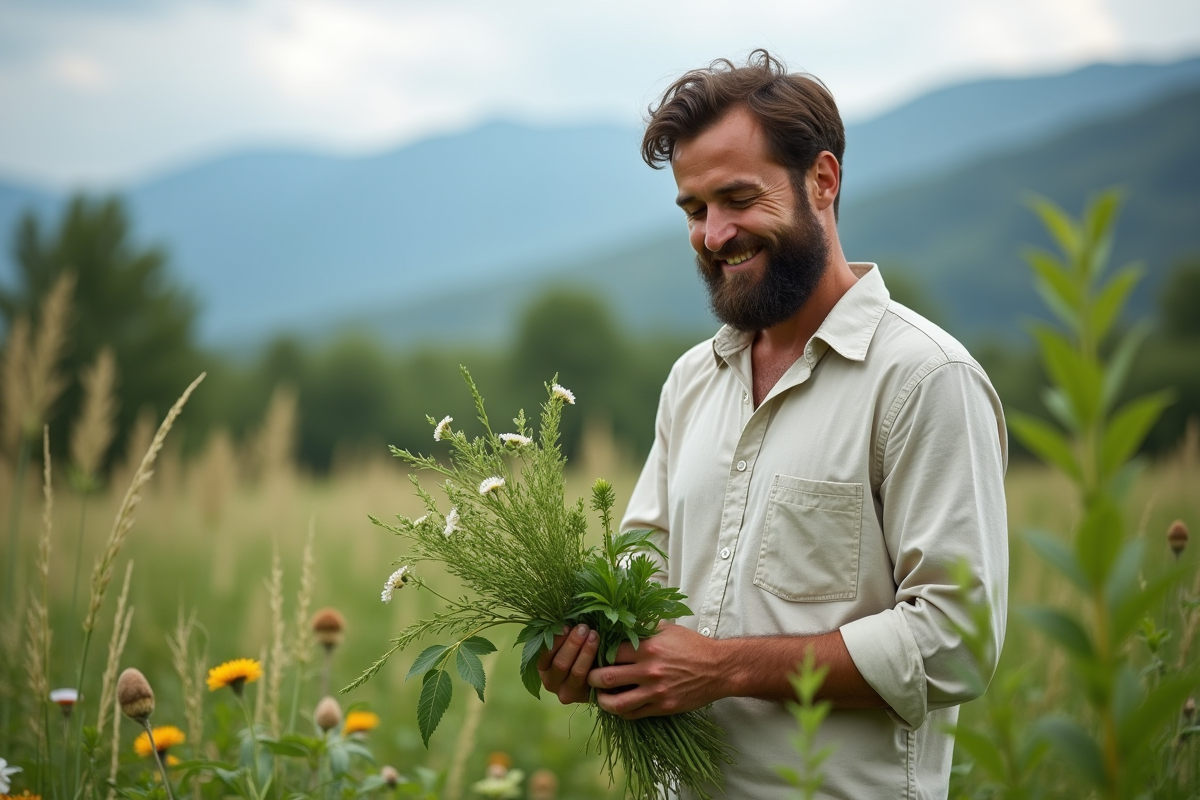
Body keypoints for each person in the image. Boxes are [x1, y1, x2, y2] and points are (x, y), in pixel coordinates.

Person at [538, 50, 1008, 799]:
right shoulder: (693, 381)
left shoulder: (925, 380)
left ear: (822, 181)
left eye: (737, 199)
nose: (714, 234)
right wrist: (591, 650)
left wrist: (725, 669)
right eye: (695, 210)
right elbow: (643, 571)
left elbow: (955, 644)